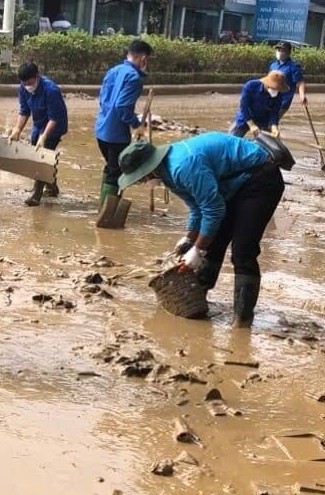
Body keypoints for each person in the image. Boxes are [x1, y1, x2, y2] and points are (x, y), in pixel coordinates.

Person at [116, 132, 285, 326]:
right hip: (233, 184)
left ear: (148, 170)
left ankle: (242, 318)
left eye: (140, 178)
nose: (141, 182)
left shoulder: (182, 166)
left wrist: (198, 249)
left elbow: (213, 209)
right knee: (213, 242)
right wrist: (189, 239)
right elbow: (197, 207)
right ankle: (196, 298)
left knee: (243, 250)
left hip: (261, 178)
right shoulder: (168, 174)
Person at [94, 38, 151, 205]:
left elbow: (103, 100)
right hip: (116, 135)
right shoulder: (134, 78)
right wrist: (136, 124)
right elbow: (121, 107)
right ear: (143, 59)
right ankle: (105, 213)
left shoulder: (113, 70)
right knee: (116, 172)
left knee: (111, 167)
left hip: (101, 130)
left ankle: (103, 205)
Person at [8, 62, 69, 207]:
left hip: (55, 125)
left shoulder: (51, 90)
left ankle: (37, 194)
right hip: (39, 123)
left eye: (30, 82)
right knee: (35, 150)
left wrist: (45, 135)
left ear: (37, 76)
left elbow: (54, 118)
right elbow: (24, 111)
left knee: (42, 155)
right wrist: (17, 129)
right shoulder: (24, 88)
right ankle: (52, 185)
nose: (27, 86)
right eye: (24, 83)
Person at [231, 70, 289, 137]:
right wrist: (251, 124)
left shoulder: (279, 95)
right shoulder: (250, 86)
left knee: (266, 143)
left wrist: (274, 126)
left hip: (262, 120)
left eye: (278, 89)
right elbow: (244, 106)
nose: (276, 91)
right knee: (232, 139)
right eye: (274, 88)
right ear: (267, 85)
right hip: (245, 117)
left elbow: (274, 112)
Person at [270, 41, 306, 116]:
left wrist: (302, 95)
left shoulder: (293, 67)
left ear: (288, 52)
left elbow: (300, 82)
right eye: (278, 50)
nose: (280, 52)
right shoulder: (273, 65)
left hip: (283, 101)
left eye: (282, 50)